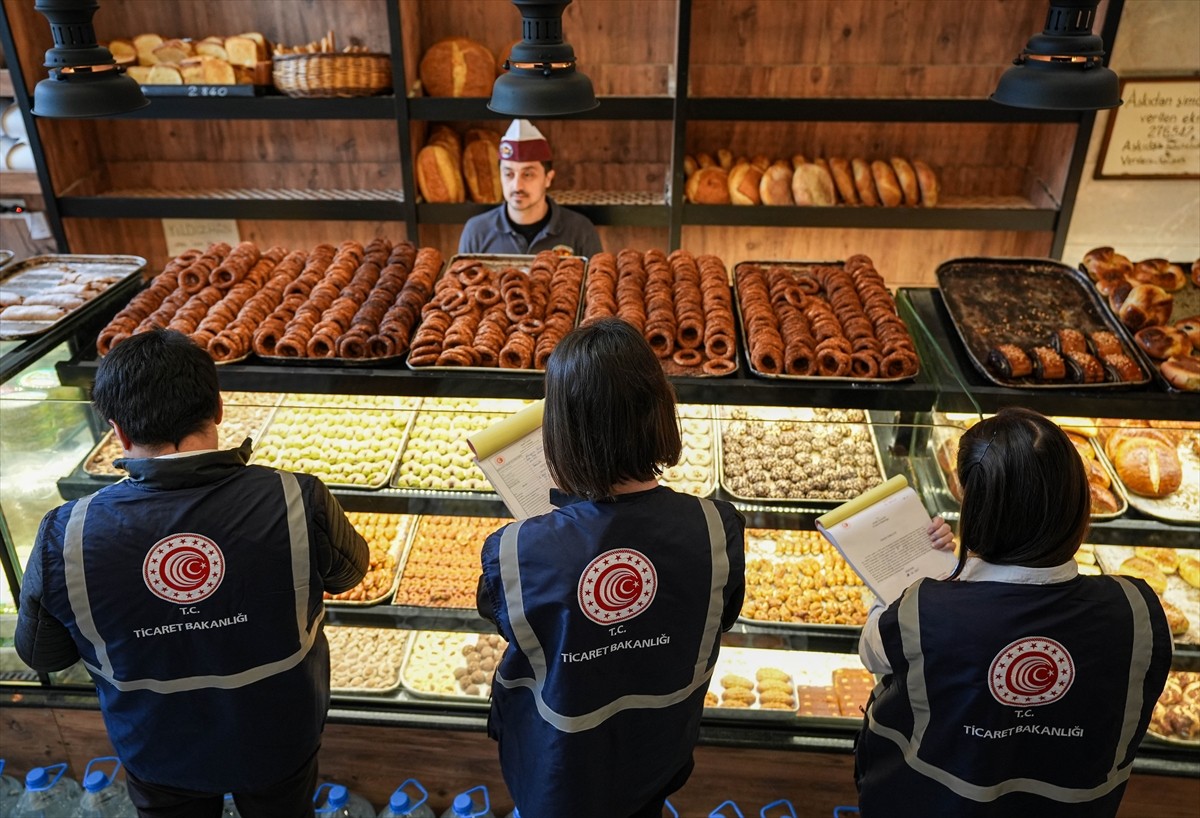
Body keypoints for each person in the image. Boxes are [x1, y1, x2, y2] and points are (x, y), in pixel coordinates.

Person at [15, 328, 369, 818]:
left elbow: (42, 654)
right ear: (218, 408)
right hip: (277, 737)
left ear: (117, 430)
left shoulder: (65, 532)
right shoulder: (296, 497)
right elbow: (350, 575)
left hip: (156, 746)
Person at [477, 318, 745, 818]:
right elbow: (718, 614)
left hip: (557, 766)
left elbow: (506, 619)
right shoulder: (717, 527)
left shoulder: (519, 549)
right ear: (660, 412)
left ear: (558, 432)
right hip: (658, 753)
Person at [855, 407, 1172, 818]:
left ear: (976, 510)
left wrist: (934, 574)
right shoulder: (1137, 610)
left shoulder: (923, 611)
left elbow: (872, 650)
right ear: (1078, 504)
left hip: (931, 802)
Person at [458, 118, 603, 258]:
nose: (517, 186)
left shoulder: (580, 230)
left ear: (548, 178)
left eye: (528, 174)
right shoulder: (476, 231)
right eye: (508, 174)